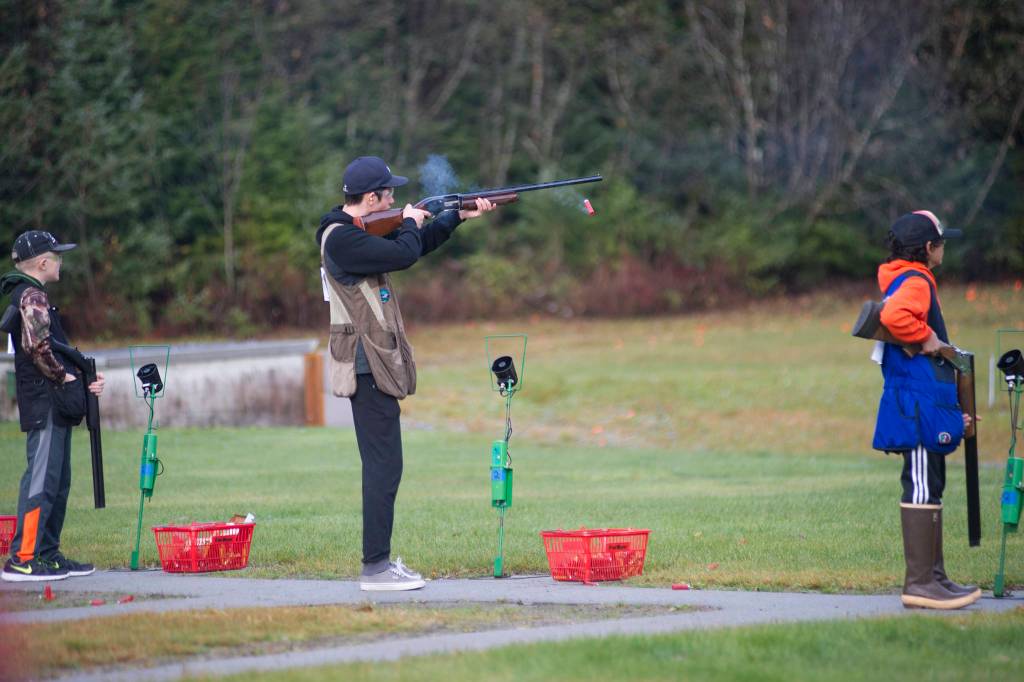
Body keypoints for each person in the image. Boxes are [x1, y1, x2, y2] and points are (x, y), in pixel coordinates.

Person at [316, 156, 497, 591]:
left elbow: (415, 245)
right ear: (372, 197)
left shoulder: (354, 233)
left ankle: (377, 564)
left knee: (385, 465)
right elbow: (404, 253)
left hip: (372, 360)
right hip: (367, 362)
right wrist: (413, 220)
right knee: (383, 467)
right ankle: (375, 568)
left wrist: (454, 217)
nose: (395, 199)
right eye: (389, 193)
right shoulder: (340, 239)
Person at [871, 210, 981, 609]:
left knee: (930, 482)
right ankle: (919, 583)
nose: (944, 248)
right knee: (919, 482)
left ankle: (935, 577)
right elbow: (894, 316)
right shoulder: (916, 281)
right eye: (941, 242)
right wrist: (928, 337)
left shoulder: (907, 278)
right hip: (916, 404)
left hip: (924, 401)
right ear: (928, 249)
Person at [1, 231, 105, 582]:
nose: (61, 261)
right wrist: (66, 379)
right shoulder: (32, 296)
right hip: (46, 403)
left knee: (58, 481)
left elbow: (48, 348)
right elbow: (38, 348)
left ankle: (48, 555)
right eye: (57, 256)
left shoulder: (33, 295)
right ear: (43, 262)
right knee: (42, 480)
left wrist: (81, 374)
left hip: (52, 404)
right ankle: (23, 559)